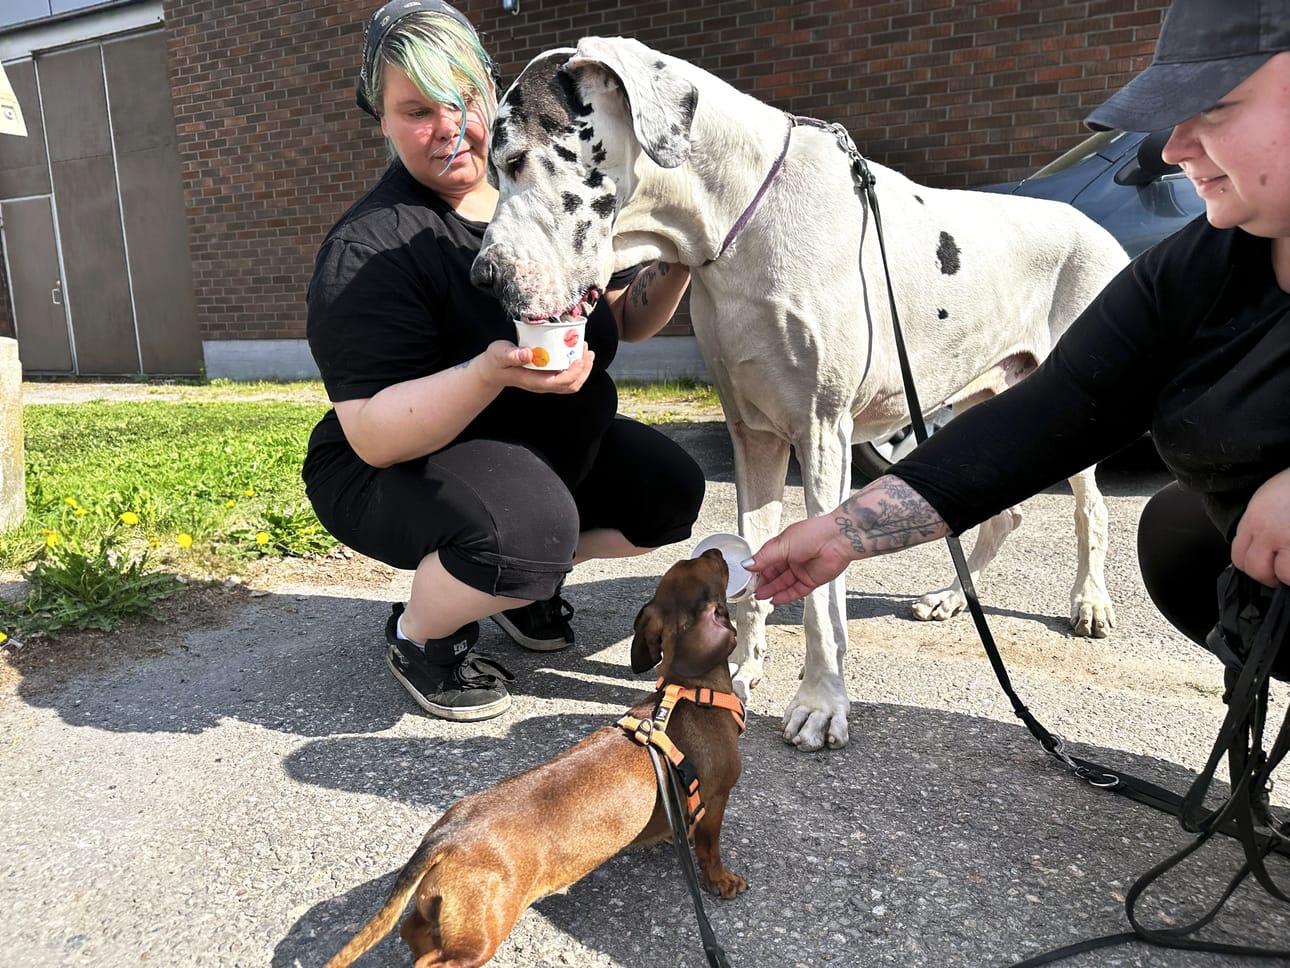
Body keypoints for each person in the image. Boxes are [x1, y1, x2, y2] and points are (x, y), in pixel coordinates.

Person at [746, 0, 1290, 679]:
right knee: (1186, 538)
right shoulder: (1203, 262)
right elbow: (1054, 411)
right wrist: (838, 533)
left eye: (1213, 106)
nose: (1174, 149)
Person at [303, 0, 704, 722]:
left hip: (539, 448)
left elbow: (621, 321)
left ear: (492, 88)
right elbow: (371, 431)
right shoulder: (369, 249)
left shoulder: (539, 187)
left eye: (463, 99)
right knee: (530, 533)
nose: (450, 127)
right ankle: (422, 633)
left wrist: (678, 262)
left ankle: (517, 587)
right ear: (382, 120)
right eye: (417, 110)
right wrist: (489, 371)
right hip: (391, 465)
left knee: (670, 491)